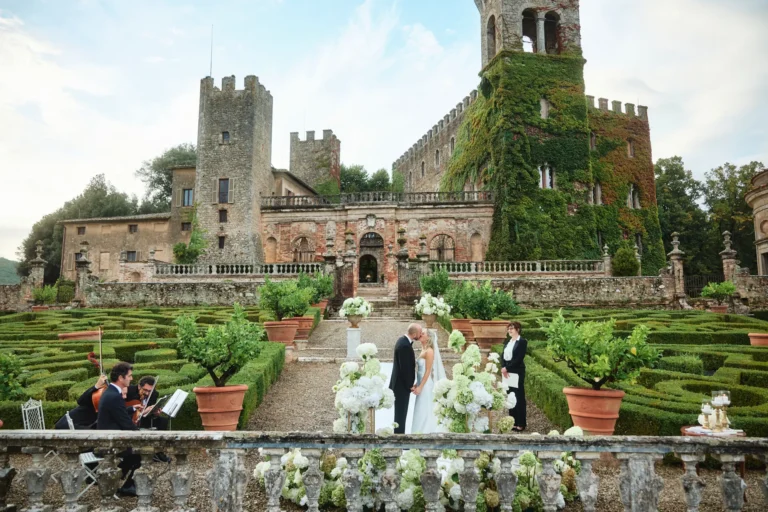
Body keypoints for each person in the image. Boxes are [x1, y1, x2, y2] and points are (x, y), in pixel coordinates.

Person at [97, 362, 141, 496]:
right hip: (110, 440)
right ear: (121, 378)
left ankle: (119, 479)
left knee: (135, 454)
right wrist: (142, 434)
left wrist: (133, 409)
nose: (131, 379)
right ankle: (124, 484)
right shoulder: (114, 396)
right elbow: (126, 424)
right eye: (129, 376)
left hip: (110, 435)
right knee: (140, 452)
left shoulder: (110, 392)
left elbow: (118, 413)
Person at [126, 376, 171, 463]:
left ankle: (158, 451)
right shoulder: (129, 391)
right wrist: (142, 411)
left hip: (145, 419)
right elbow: (124, 407)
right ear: (139, 386)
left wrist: (155, 413)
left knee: (162, 421)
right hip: (131, 418)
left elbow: (150, 413)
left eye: (150, 391)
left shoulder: (154, 394)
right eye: (145, 390)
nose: (147, 393)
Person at [410, 328, 446, 434]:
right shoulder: (423, 348)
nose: (420, 334)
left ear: (428, 337)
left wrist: (421, 387)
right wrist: (417, 383)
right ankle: (418, 431)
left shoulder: (429, 351)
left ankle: (426, 431)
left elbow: (428, 371)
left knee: (425, 408)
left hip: (426, 385)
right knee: (421, 409)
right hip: (422, 383)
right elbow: (420, 372)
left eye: (423, 333)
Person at [389, 323, 420, 434]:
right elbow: (405, 368)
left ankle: (399, 436)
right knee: (401, 414)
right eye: (420, 333)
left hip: (399, 384)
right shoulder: (405, 345)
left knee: (400, 413)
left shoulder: (402, 341)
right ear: (415, 333)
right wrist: (410, 385)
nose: (420, 335)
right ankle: (399, 437)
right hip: (401, 385)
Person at [502, 321, 528, 431]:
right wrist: (503, 367)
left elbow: (519, 358)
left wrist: (507, 368)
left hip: (517, 371)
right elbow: (502, 356)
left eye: (512, 328)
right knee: (510, 396)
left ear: (518, 329)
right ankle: (513, 422)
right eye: (508, 329)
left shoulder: (522, 342)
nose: (509, 330)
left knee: (519, 397)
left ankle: (521, 423)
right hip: (507, 372)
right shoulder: (508, 342)